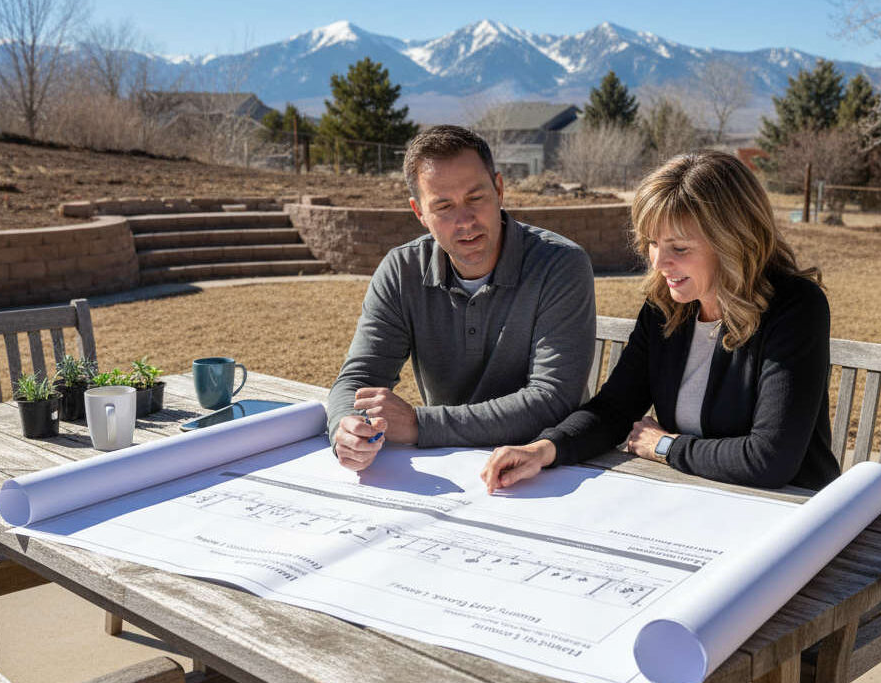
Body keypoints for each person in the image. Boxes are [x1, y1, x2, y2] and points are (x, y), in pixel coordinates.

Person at [481, 150, 841, 493]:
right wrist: (545, 449)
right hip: (699, 497)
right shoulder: (666, 306)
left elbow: (769, 459)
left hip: (795, 513)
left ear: (734, 242)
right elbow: (615, 409)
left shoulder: (795, 307)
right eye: (652, 243)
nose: (658, 263)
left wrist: (666, 447)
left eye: (679, 249)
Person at [328, 125, 596, 471]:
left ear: (499, 190)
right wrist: (347, 430)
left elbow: (553, 400)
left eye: (476, 198)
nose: (465, 221)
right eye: (443, 206)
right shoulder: (401, 270)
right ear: (419, 213)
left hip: (548, 470)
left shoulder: (560, 264)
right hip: (449, 466)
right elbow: (357, 380)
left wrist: (421, 425)